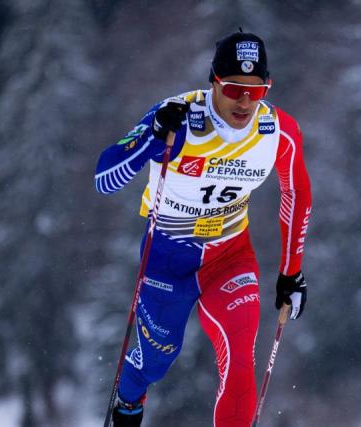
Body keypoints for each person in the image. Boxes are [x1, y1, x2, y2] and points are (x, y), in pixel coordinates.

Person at [94, 30, 313, 427]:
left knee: (240, 357)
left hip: (229, 256)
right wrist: (151, 141)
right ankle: (127, 407)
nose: (245, 101)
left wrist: (291, 271)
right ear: (213, 81)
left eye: (256, 90)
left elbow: (295, 191)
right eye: (233, 88)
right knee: (155, 361)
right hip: (166, 259)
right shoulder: (178, 116)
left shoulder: (277, 131)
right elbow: (104, 179)